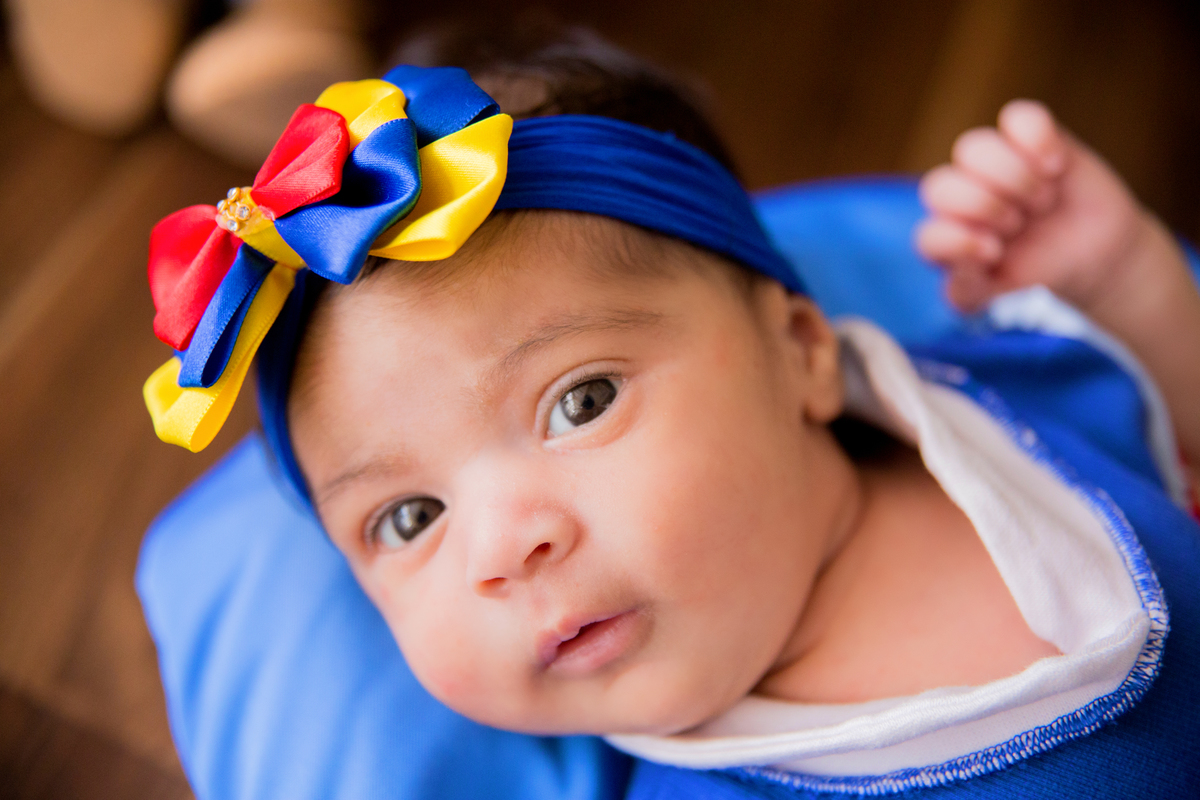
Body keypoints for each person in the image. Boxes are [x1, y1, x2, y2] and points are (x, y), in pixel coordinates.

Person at [140, 28, 1200, 796]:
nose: (506, 547)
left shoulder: (986, 390)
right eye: (409, 517)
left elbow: (1168, 423)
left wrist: (1124, 279)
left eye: (581, 399)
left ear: (799, 351)